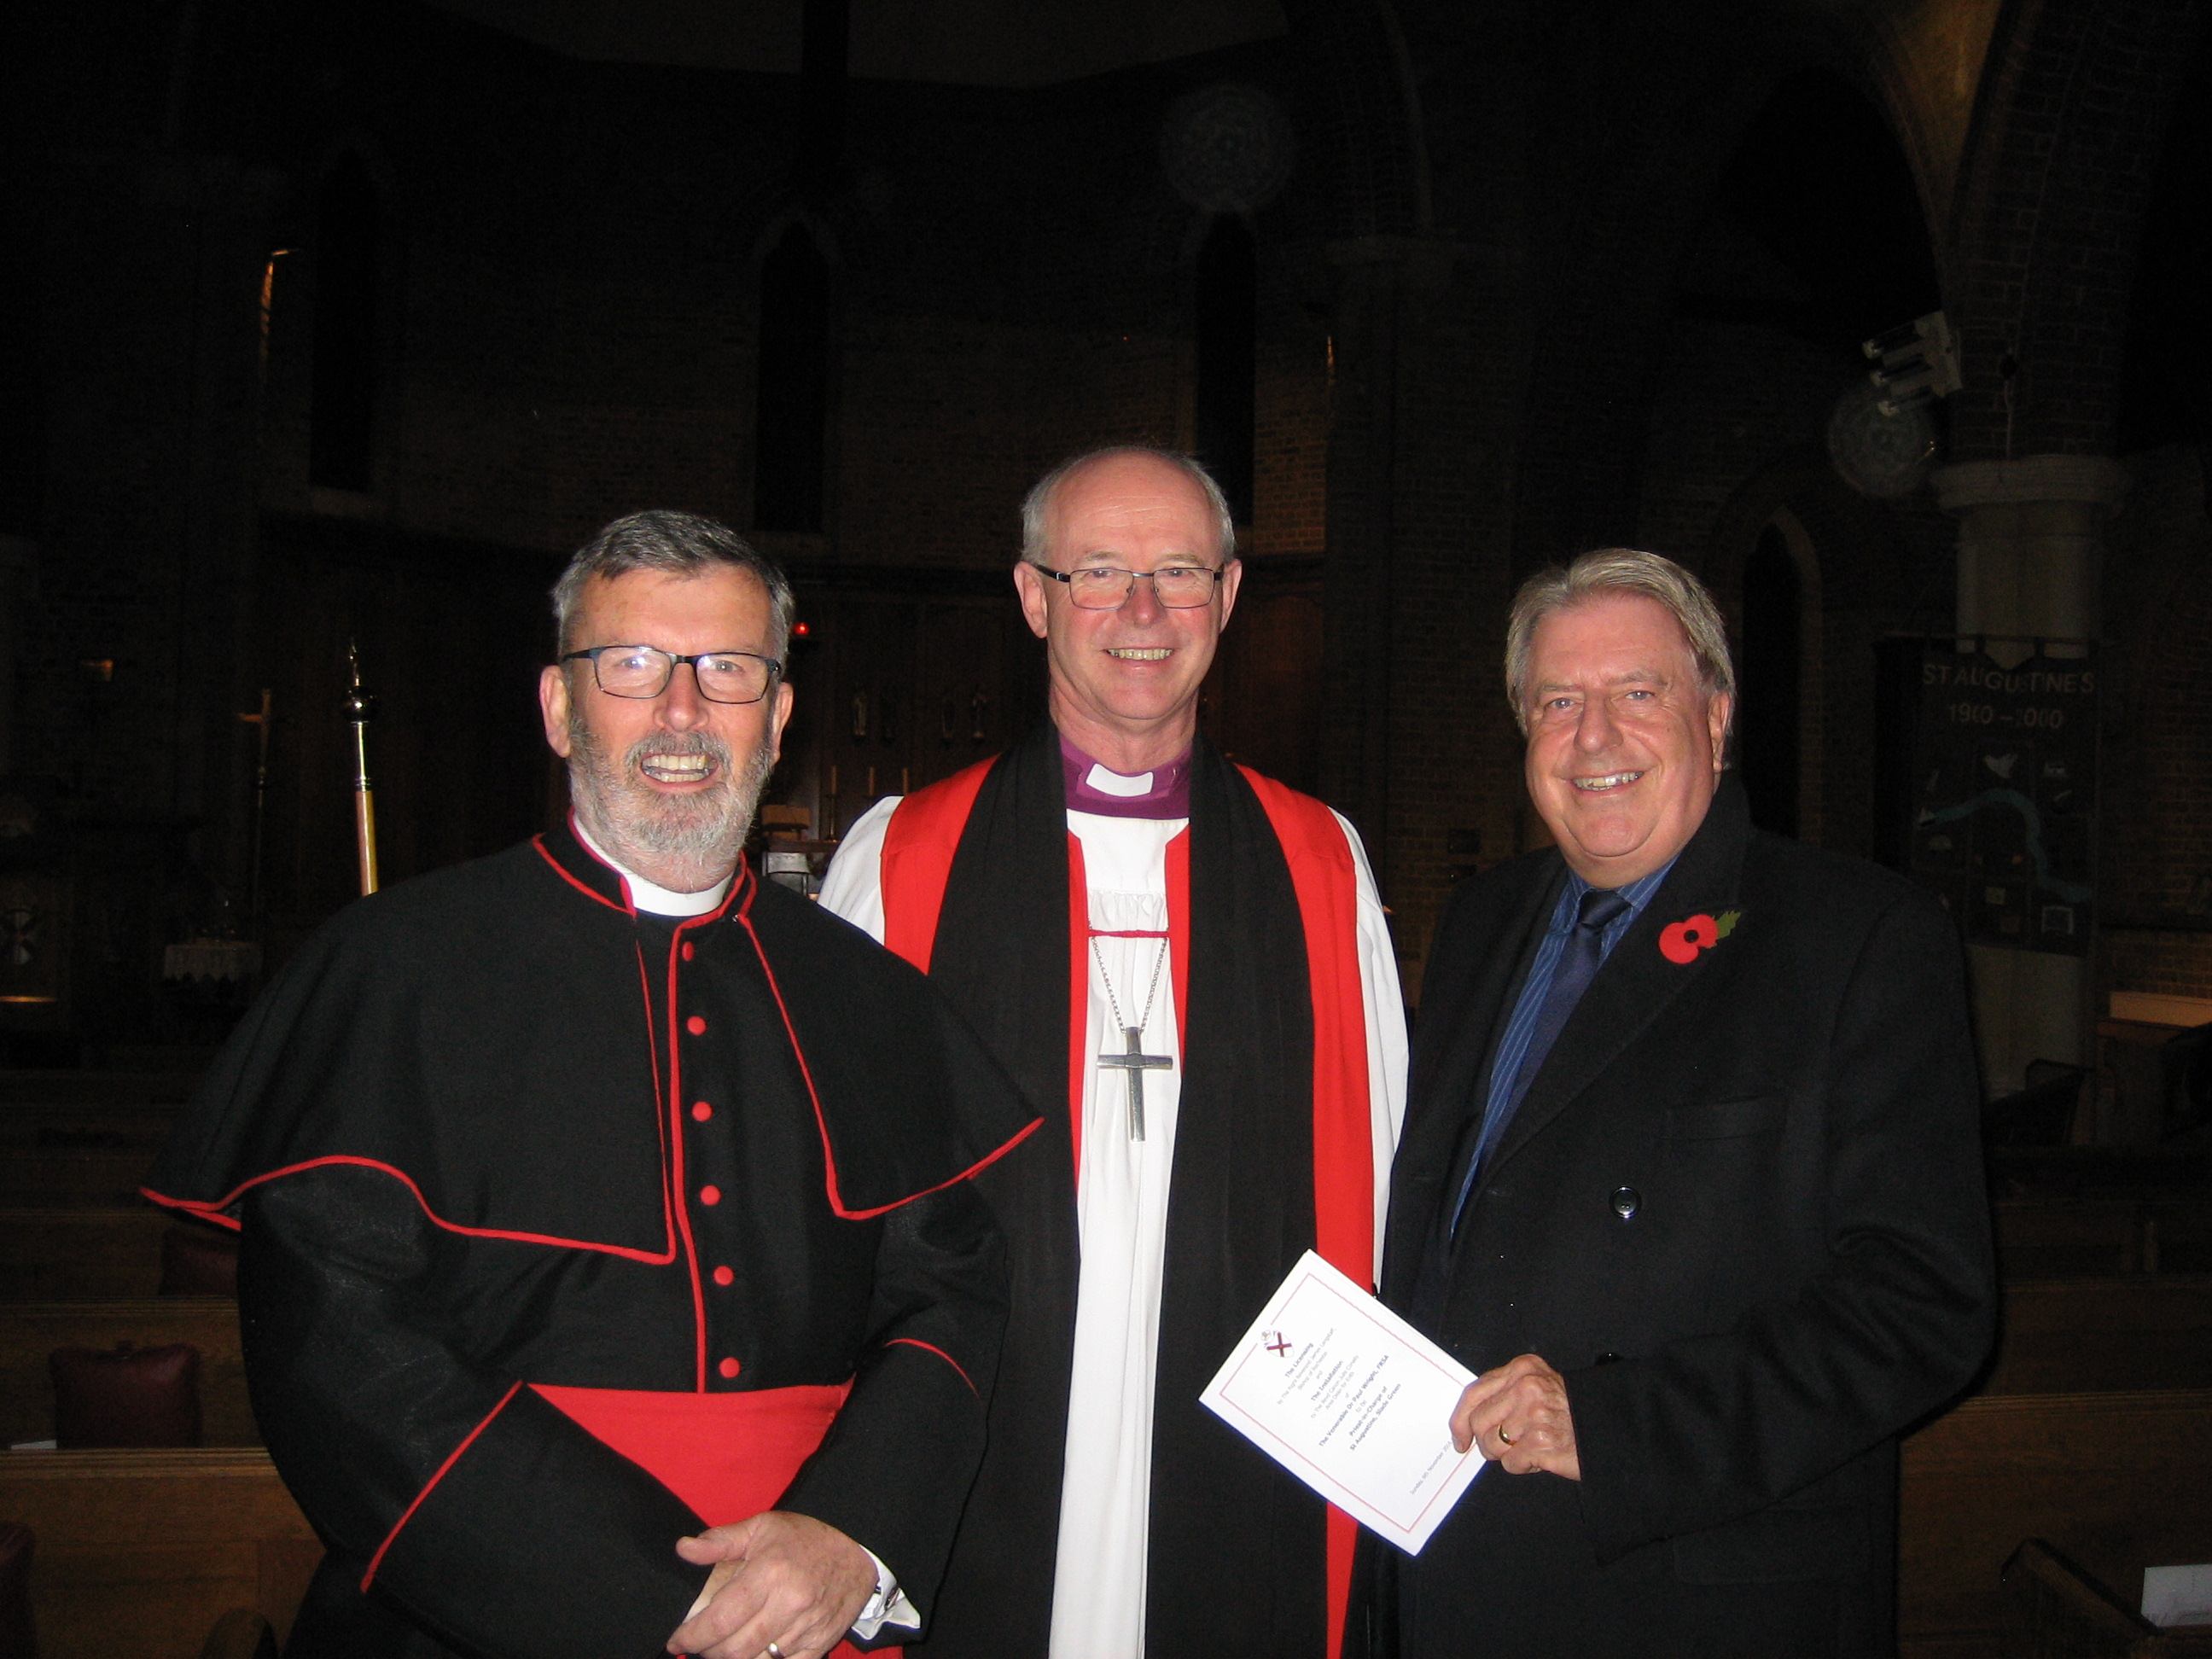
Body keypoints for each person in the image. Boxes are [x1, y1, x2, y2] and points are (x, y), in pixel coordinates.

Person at [147, 510, 1038, 1659]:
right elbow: (343, 1355)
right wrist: (667, 1608)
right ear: (561, 710)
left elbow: (949, 1289)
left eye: (726, 672)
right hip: (480, 1614)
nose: (682, 713)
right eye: (631, 667)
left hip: (819, 1618)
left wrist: (851, 1536)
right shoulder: (391, 971)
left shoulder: (867, 994)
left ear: (776, 716)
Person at [819, 447, 1408, 1659]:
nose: (1143, 612)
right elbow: (830, 1198)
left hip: (1248, 1428)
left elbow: (1381, 1159)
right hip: (990, 1410)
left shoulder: (1317, 863)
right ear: (1034, 598)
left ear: (1229, 598)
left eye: (1178, 571)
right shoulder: (901, 859)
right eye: (1099, 572)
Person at [1360, 549, 1994, 1656]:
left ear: (1717, 713)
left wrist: (1615, 1427)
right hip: (1451, 1567)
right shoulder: (1477, 926)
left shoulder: (1852, 937)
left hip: (1680, 1589)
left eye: (1636, 694)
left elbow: (1923, 1305)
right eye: (1558, 702)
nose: (1593, 738)